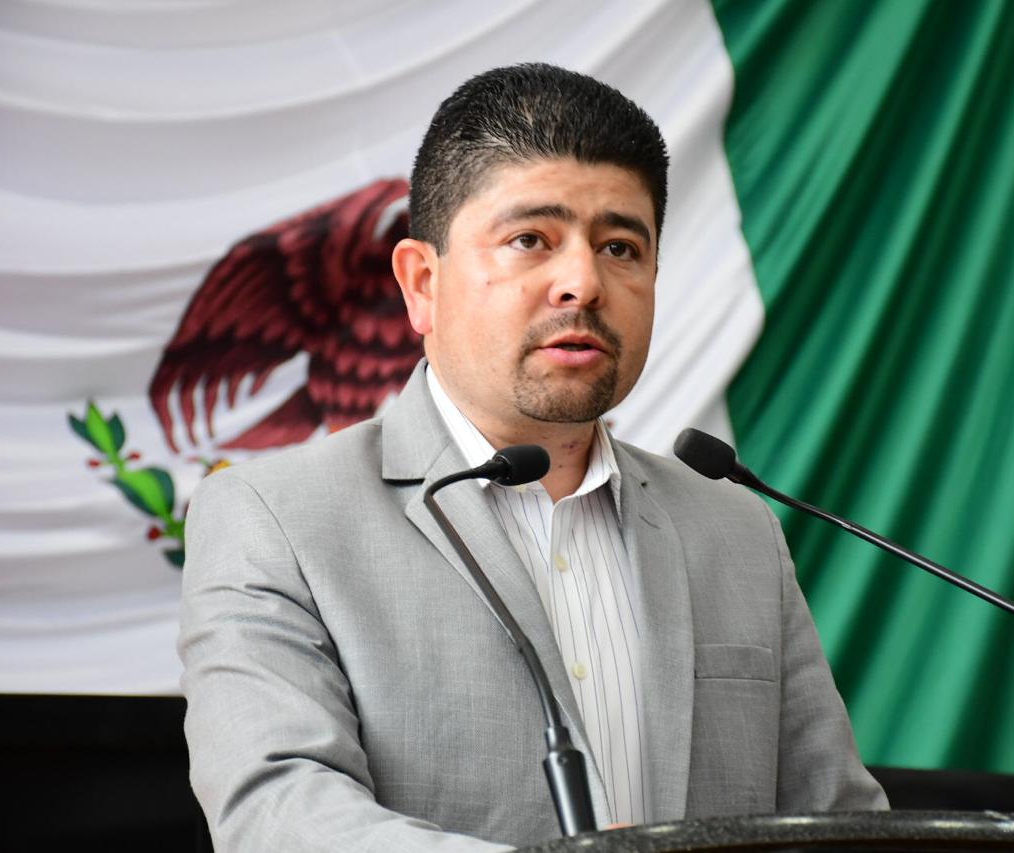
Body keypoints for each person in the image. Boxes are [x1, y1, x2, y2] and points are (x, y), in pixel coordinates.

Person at [179, 63, 887, 853]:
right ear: (421, 283)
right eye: (530, 240)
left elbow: (840, 823)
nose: (582, 282)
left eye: (620, 247)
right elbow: (277, 813)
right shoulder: (276, 519)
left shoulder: (736, 528)